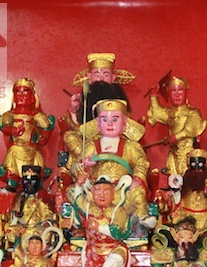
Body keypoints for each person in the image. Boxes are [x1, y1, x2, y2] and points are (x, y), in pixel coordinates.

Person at [63, 99, 155, 231]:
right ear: (98, 124)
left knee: (138, 191)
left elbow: (142, 163)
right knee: (71, 191)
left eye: (115, 119)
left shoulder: (131, 146)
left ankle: (142, 216)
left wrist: (137, 177)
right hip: (95, 192)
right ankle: (84, 219)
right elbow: (74, 167)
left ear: (124, 124)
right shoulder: (91, 146)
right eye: (104, 119)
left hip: (120, 192)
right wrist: (84, 164)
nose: (110, 124)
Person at [68, 175, 133, 267]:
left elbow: (117, 231)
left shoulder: (118, 210)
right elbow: (78, 203)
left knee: (116, 259)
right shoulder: (89, 209)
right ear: (92, 193)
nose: (102, 195)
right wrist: (79, 185)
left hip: (114, 247)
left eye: (106, 191)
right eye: (97, 191)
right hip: (93, 250)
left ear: (113, 194)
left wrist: (98, 228)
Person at [0, 78, 54, 192]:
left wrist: (44, 138)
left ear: (32, 96)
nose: (21, 96)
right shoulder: (10, 114)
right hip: (17, 147)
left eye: (25, 92)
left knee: (36, 166)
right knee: (12, 165)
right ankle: (12, 185)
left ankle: (36, 187)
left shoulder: (36, 115)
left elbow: (47, 127)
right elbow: (5, 127)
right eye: (18, 92)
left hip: (32, 148)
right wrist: (14, 130)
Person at [168, 149, 207, 258]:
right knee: (174, 221)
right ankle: (181, 252)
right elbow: (175, 198)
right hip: (186, 216)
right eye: (193, 165)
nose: (197, 169)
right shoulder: (184, 182)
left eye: (200, 165)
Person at [146, 75, 207, 176]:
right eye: (173, 91)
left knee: (188, 178)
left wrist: (174, 137)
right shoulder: (170, 112)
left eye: (180, 91)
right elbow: (157, 114)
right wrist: (153, 96)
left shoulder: (193, 112)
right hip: (173, 153)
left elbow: (191, 129)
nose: (177, 95)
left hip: (187, 152)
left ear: (185, 92)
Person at [65, 52, 135, 128]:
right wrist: (73, 112)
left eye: (106, 75)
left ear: (113, 78)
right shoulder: (84, 100)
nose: (101, 79)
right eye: (97, 75)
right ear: (90, 78)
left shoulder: (119, 98)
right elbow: (78, 128)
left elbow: (126, 125)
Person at [4, 166, 56, 250]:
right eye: (26, 181)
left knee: (47, 232)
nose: (29, 184)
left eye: (32, 181)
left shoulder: (43, 197)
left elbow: (48, 214)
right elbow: (14, 216)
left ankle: (37, 246)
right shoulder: (19, 197)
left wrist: (44, 224)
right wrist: (17, 221)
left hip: (37, 228)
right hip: (22, 228)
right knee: (9, 230)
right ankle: (18, 247)